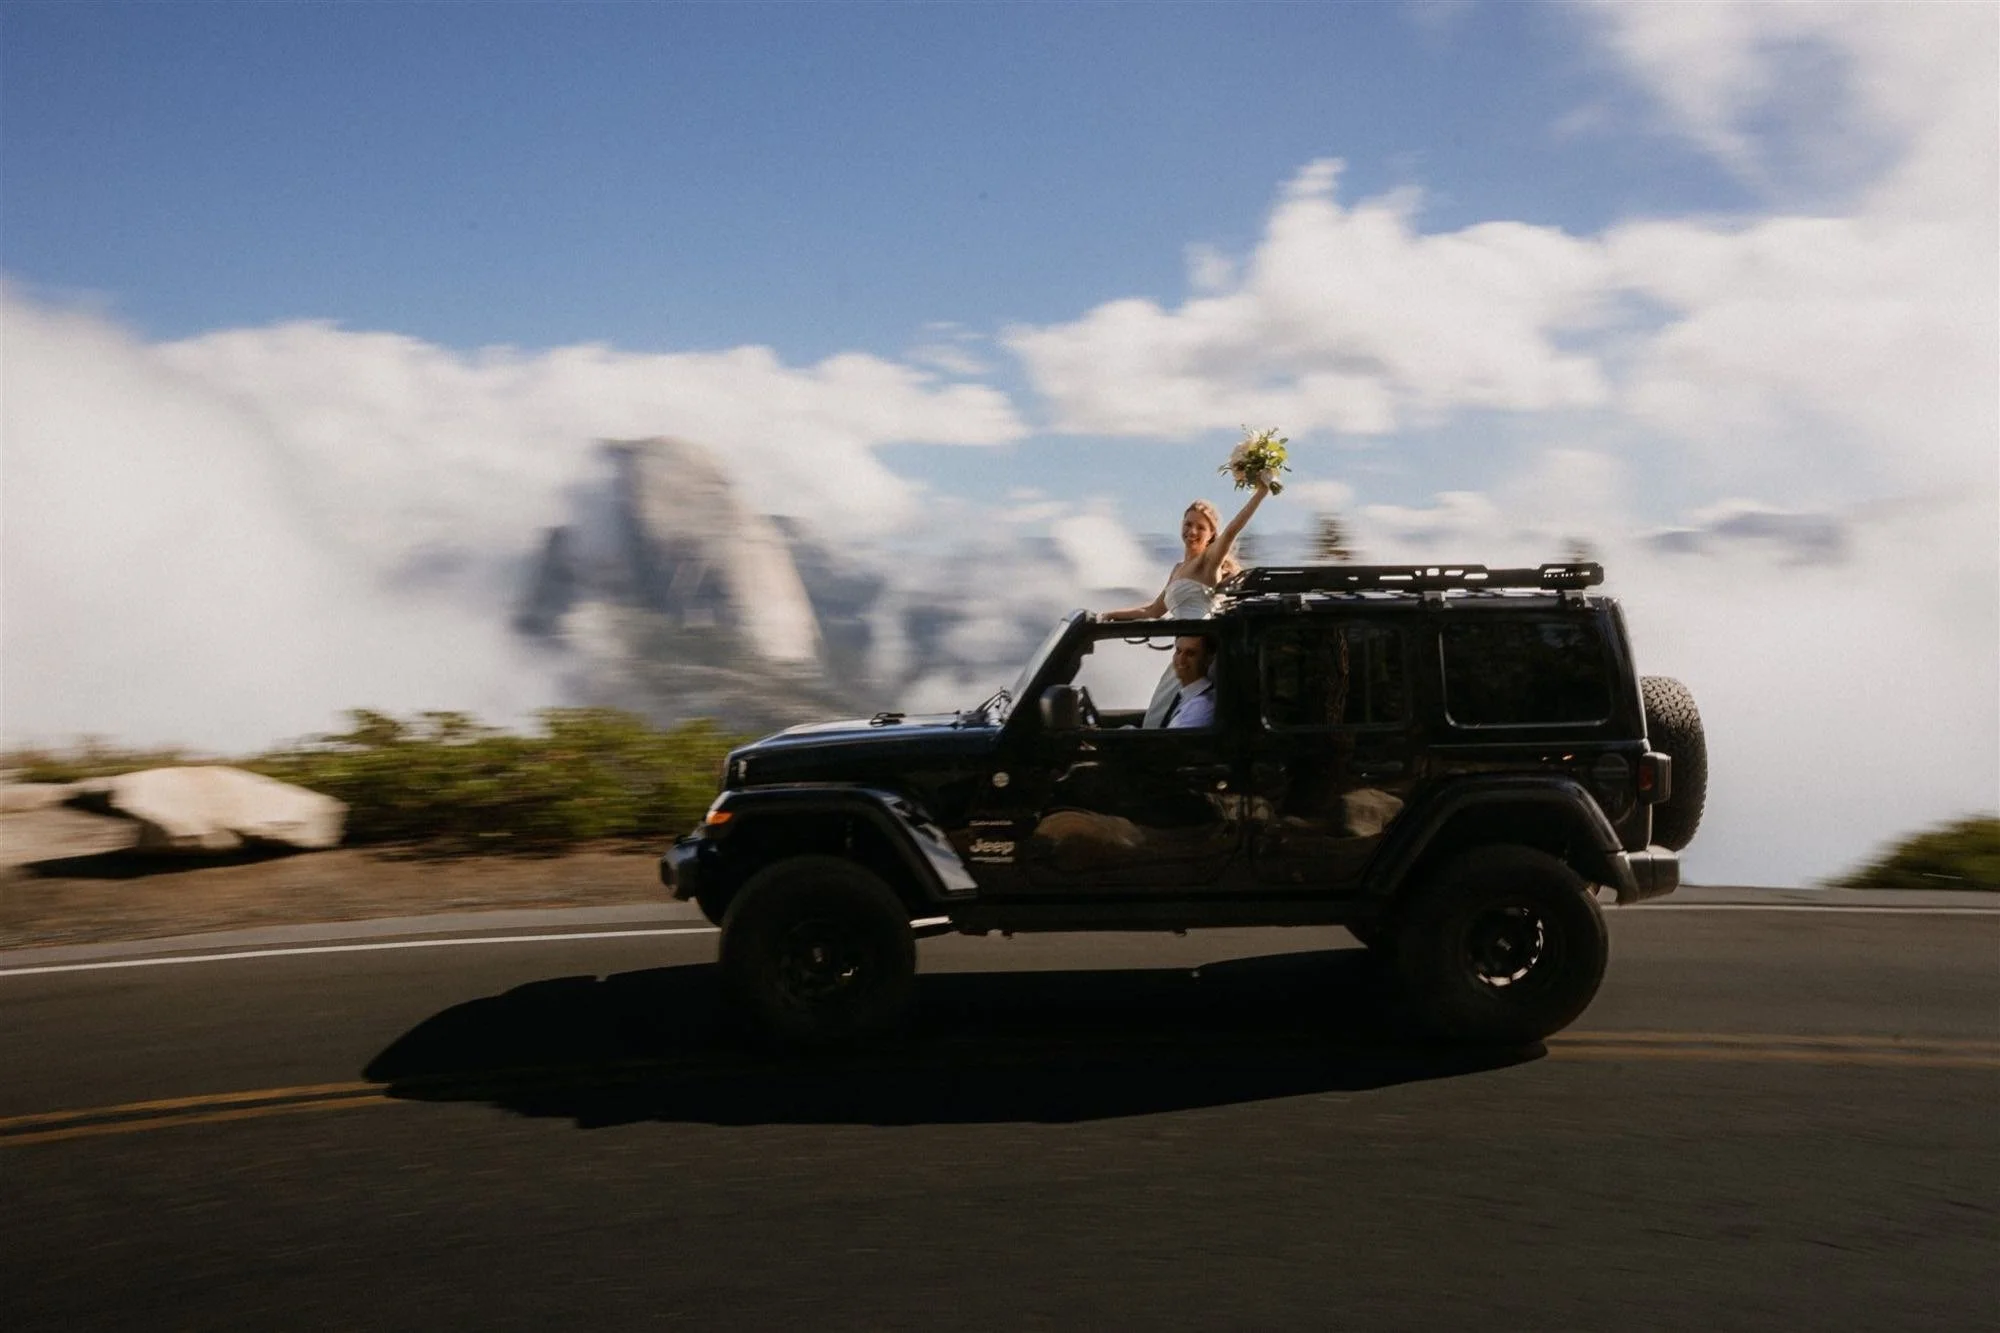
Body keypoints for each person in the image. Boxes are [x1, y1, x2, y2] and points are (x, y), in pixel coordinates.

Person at [1103, 481, 1270, 726]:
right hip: (1182, 656)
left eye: (1200, 527)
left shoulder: (1208, 564)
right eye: (1188, 524)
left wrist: (1261, 492)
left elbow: (1233, 529)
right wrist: (1110, 615)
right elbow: (1153, 611)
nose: (1192, 531)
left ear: (1212, 534)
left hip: (1198, 657)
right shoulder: (1177, 570)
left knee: (1166, 723)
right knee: (1156, 719)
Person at [1151, 636, 1217, 729]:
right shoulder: (1186, 696)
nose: (1181, 660)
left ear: (1208, 659)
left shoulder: (1201, 706)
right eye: (1178, 651)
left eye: (1190, 654)